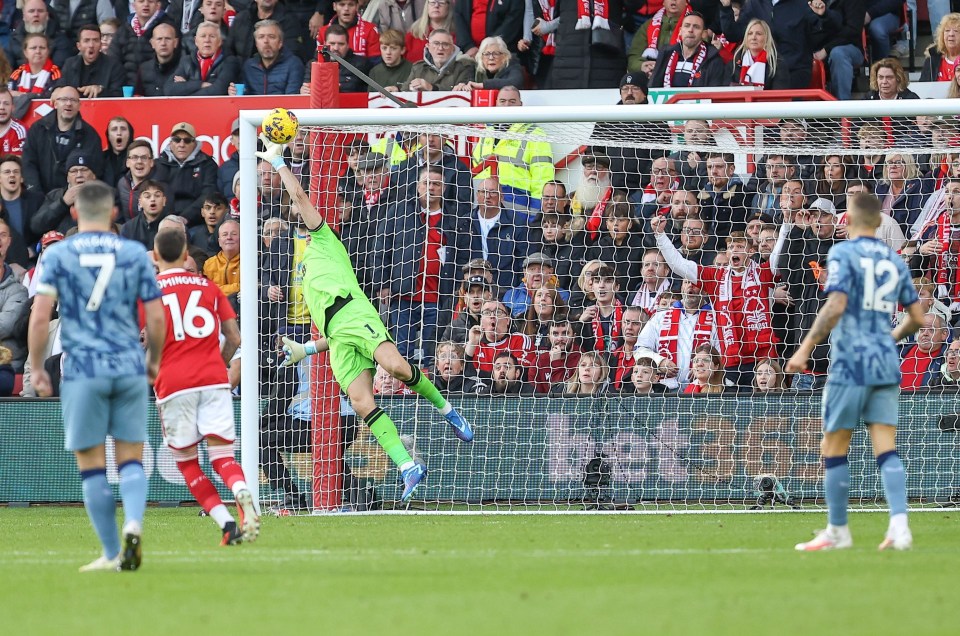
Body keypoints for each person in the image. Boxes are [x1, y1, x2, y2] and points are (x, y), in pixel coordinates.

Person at [257, 131, 474, 503]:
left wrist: (279, 162)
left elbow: (298, 196)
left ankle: (449, 410)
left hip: (356, 313)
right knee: (360, 402)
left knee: (399, 368)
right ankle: (408, 464)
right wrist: (306, 350)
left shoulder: (325, 240)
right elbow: (332, 328)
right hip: (338, 336)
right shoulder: (304, 270)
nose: (297, 219)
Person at [27, 180, 165, 572]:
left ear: (74, 213)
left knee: (91, 466)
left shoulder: (57, 255)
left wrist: (37, 367)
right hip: (126, 363)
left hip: (82, 367)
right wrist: (152, 360)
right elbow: (155, 316)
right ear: (114, 212)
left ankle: (110, 553)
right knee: (131, 460)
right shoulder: (135, 252)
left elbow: (40, 317)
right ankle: (134, 523)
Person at [787, 192, 923, 552]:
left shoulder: (842, 253)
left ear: (847, 220)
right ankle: (899, 527)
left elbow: (836, 305)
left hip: (849, 362)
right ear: (879, 222)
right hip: (884, 361)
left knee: (834, 445)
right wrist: (889, 337)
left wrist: (805, 348)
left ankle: (838, 531)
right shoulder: (894, 260)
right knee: (885, 445)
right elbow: (918, 318)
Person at [151, 228, 258, 545]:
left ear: (156, 257)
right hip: (213, 378)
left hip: (173, 383)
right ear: (187, 256)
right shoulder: (209, 287)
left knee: (186, 462)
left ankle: (225, 522)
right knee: (223, 456)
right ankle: (241, 493)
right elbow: (236, 338)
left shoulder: (150, 290)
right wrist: (219, 362)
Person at [649, 11, 728, 89]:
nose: (690, 30)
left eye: (696, 27)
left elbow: (714, 93)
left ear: (704, 34)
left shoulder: (713, 59)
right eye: (687, 26)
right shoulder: (665, 54)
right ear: (680, 31)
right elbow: (653, 87)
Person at [60, 23, 126, 98]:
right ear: (79, 46)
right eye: (86, 40)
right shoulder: (69, 64)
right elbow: (61, 85)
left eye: (95, 40)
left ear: (100, 44)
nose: (91, 45)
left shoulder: (114, 66)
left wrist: (101, 91)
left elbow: (119, 96)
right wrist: (57, 90)